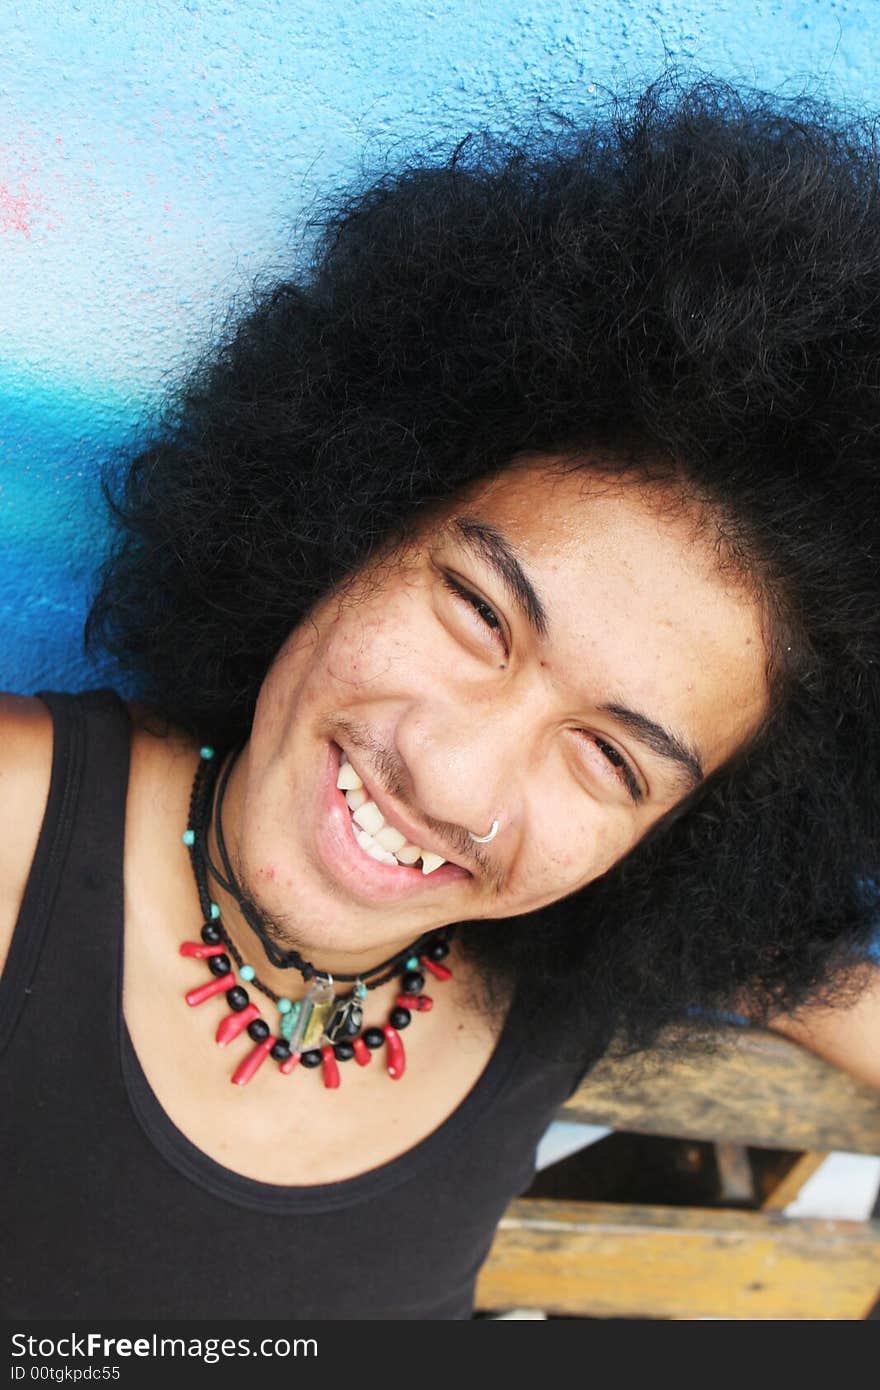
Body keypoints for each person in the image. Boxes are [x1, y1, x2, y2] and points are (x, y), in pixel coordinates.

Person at [1, 76, 879, 1322]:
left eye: (612, 763)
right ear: (347, 517)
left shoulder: (575, 956)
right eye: (477, 613)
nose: (455, 780)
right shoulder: (19, 826)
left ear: (678, 846)